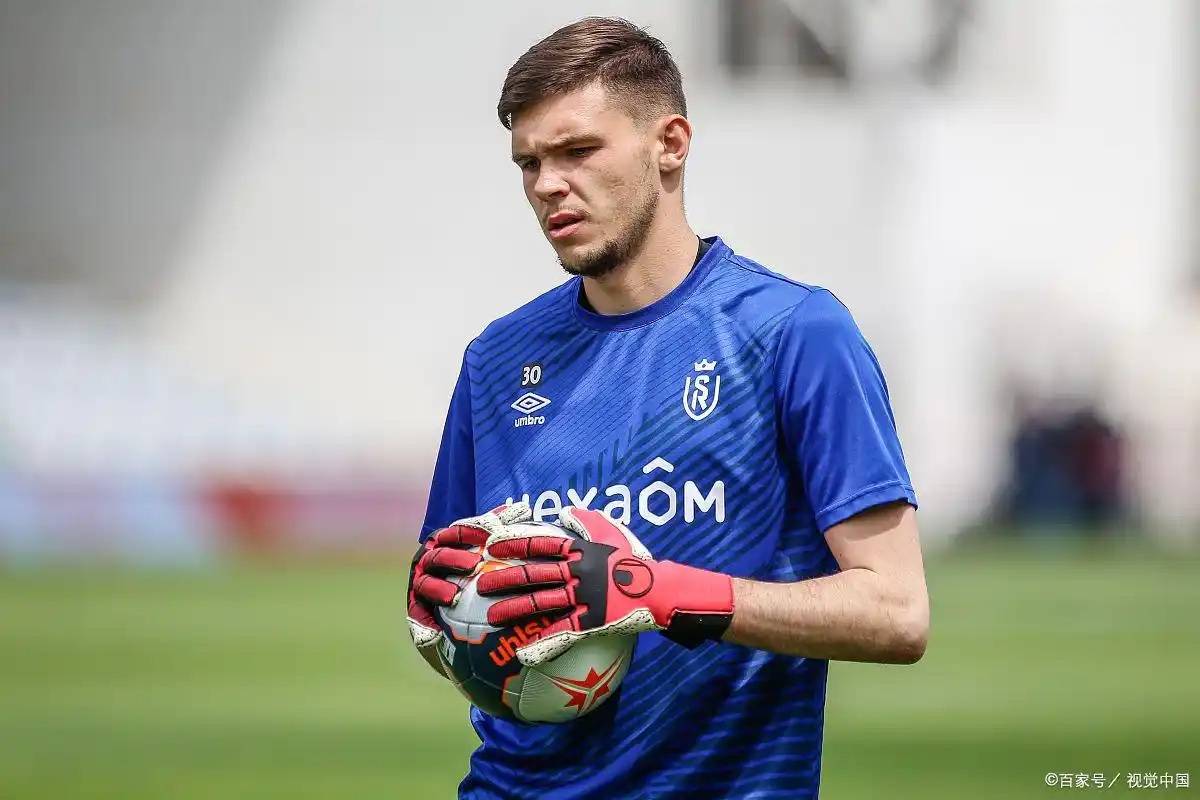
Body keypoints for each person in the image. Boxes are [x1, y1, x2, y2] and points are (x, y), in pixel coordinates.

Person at [407, 17, 928, 799]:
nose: (548, 184)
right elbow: (461, 598)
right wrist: (439, 603)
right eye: (529, 162)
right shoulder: (498, 359)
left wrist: (660, 593)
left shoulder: (792, 333)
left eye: (578, 151)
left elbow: (896, 611)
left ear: (671, 145)